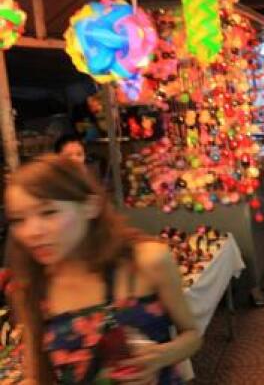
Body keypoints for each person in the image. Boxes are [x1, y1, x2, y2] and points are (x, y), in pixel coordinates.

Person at [6, 155, 202, 384]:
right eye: (18, 220)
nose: (31, 232)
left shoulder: (147, 261)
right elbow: (36, 375)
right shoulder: (31, 286)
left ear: (90, 207)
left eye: (48, 212)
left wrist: (161, 356)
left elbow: (192, 335)